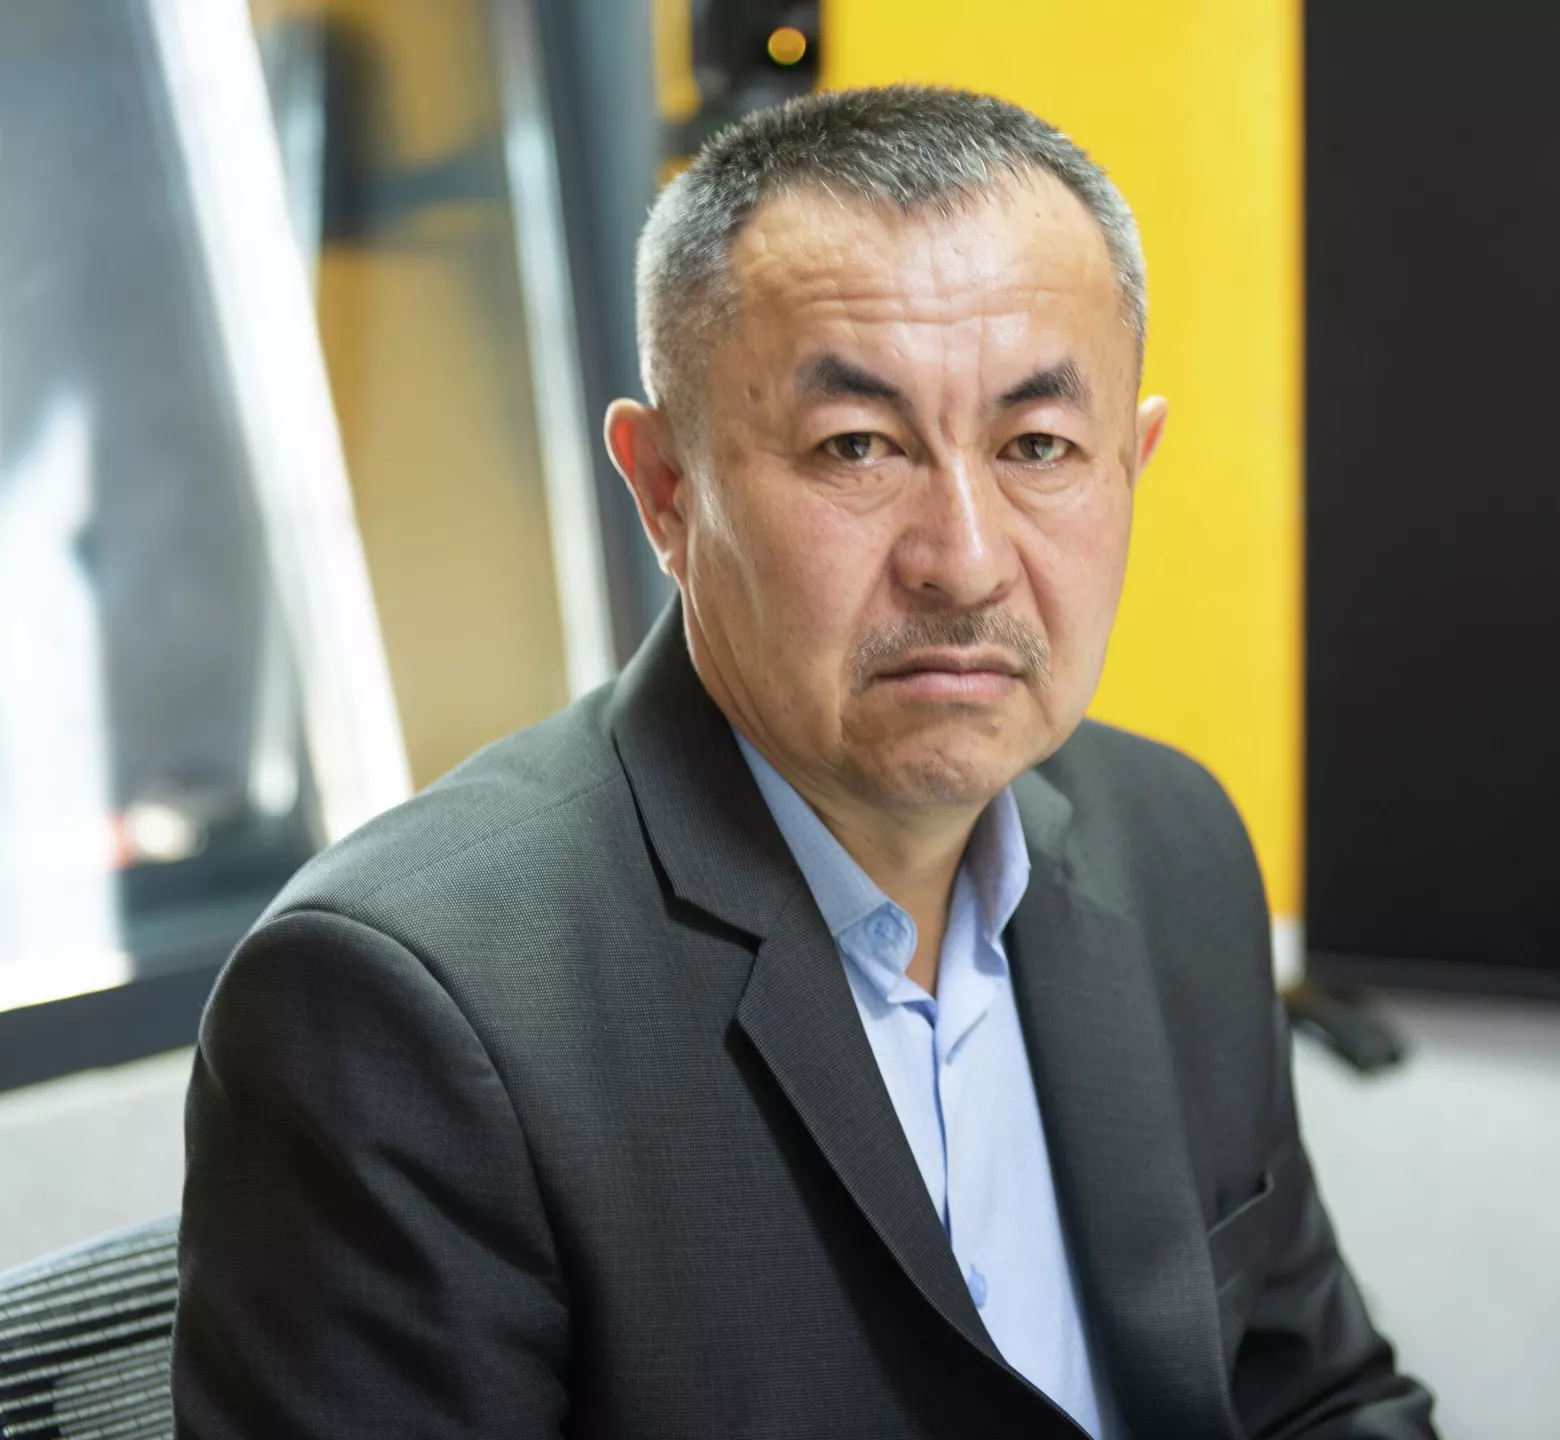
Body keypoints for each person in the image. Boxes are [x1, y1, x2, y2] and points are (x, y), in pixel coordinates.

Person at [171, 86, 1436, 1439]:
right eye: (857, 448)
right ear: (666, 491)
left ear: (1133, 460)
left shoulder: (1173, 841)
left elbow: (1318, 1399)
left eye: (1039, 447)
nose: (964, 559)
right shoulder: (402, 1010)